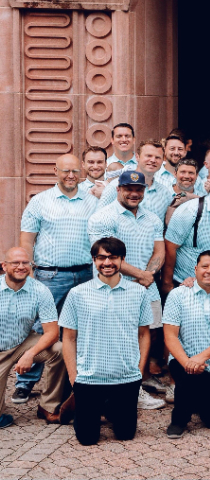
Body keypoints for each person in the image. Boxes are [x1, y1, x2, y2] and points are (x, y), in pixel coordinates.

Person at [14, 153, 96, 405]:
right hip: (50, 276)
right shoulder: (40, 201)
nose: (70, 176)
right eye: (65, 171)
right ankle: (25, 382)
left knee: (81, 328)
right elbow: (27, 240)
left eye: (75, 171)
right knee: (43, 328)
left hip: (85, 274)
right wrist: (28, 272)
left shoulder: (92, 201)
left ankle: (77, 380)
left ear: (81, 172)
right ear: (55, 171)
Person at [86, 168, 168, 409]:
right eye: (129, 189)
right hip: (114, 287)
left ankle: (141, 379)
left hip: (146, 285)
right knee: (121, 337)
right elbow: (107, 256)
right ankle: (128, 389)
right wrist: (141, 275)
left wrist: (148, 275)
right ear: (119, 189)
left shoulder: (152, 218)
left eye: (138, 189)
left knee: (149, 333)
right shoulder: (103, 217)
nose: (134, 193)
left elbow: (159, 251)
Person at [60, 237, 153, 445]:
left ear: (122, 260)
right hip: (89, 378)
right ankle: (88, 410)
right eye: (101, 257)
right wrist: (74, 376)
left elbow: (144, 334)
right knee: (87, 439)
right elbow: (69, 337)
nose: (107, 262)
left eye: (113, 257)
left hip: (126, 377)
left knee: (125, 434)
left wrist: (139, 371)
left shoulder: (138, 293)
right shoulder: (77, 294)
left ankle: (109, 409)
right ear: (94, 260)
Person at [162, 250, 210, 438]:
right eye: (205, 266)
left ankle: (197, 402)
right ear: (195, 269)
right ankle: (179, 420)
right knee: (188, 378)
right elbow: (170, 336)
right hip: (183, 360)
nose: (209, 271)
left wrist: (200, 358)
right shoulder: (178, 295)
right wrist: (188, 362)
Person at [0, 246, 68, 427]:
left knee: (60, 350)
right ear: (4, 266)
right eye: (15, 263)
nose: (21, 266)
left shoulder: (40, 290)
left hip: (23, 341)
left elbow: (52, 332)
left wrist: (30, 354)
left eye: (25, 263)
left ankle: (48, 406)